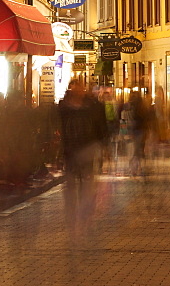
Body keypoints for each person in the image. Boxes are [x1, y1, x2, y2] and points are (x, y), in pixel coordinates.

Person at [58, 80, 107, 236]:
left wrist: (103, 146)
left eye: (81, 89)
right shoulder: (63, 107)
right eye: (75, 89)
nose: (78, 91)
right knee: (71, 188)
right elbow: (57, 126)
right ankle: (71, 220)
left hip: (87, 149)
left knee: (87, 187)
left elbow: (101, 127)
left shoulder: (93, 107)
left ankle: (86, 218)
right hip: (70, 151)